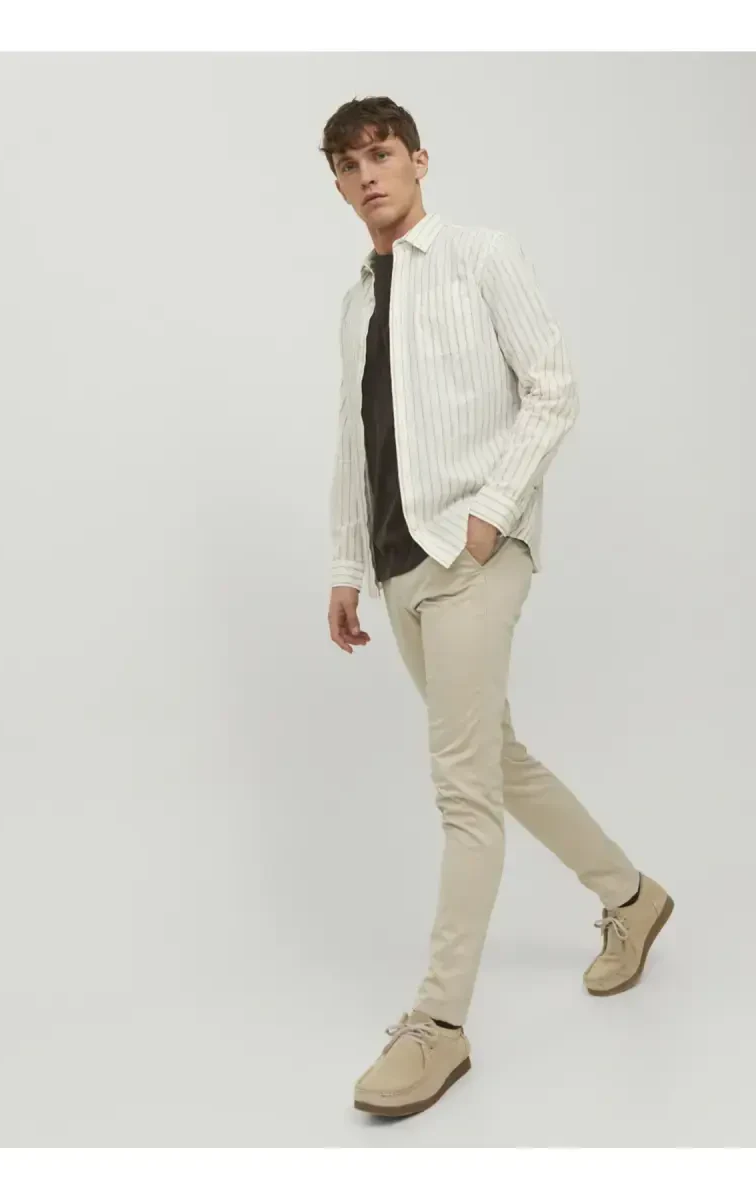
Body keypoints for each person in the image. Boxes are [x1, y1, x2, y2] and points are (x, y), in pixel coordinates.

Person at [321, 95, 673, 1120]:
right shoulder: (355, 301)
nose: (367, 175)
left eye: (381, 154)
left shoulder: (480, 256)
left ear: (418, 160)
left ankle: (438, 1025)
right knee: (496, 760)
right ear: (337, 184)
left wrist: (488, 514)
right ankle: (631, 896)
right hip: (399, 567)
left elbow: (552, 385)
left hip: (473, 554)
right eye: (347, 165)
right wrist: (346, 563)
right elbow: (355, 439)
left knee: (461, 789)